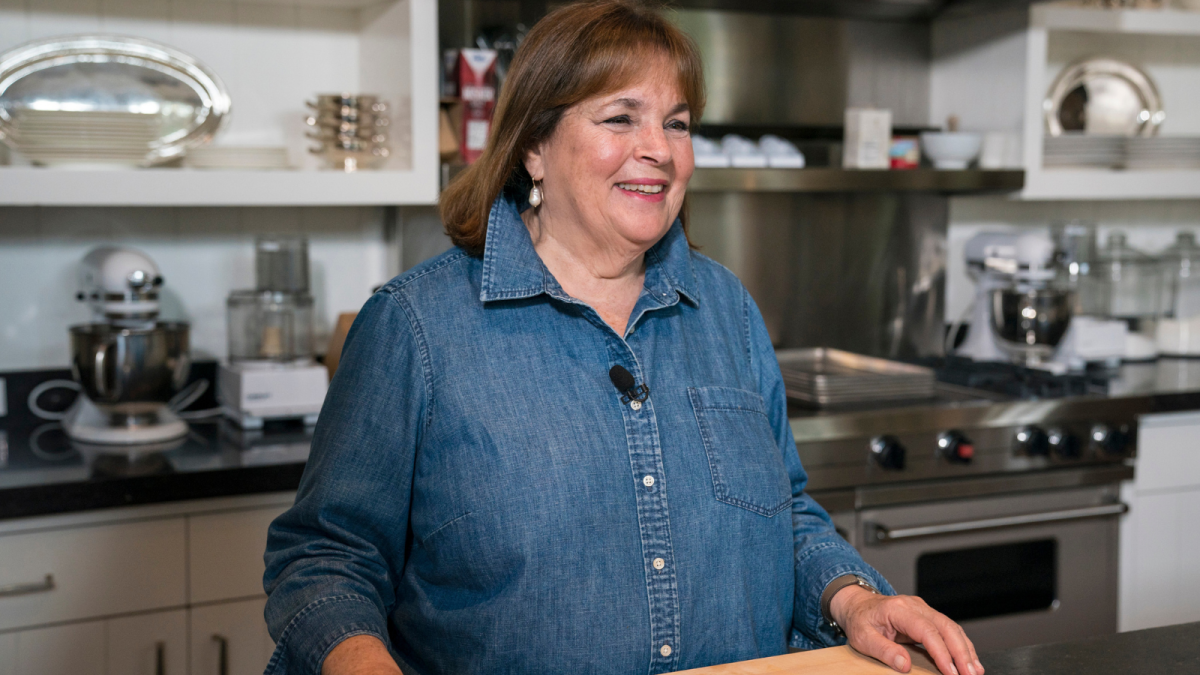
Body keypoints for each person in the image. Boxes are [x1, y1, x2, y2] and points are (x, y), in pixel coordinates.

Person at [262, 2, 983, 675]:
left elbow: (785, 515)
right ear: (533, 148)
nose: (658, 150)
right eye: (620, 118)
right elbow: (327, 556)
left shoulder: (725, 307)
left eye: (677, 123)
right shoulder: (418, 325)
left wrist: (856, 599)